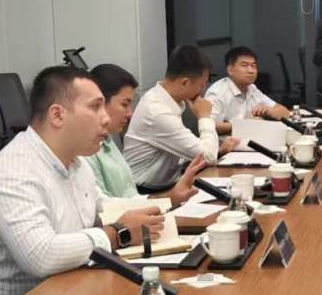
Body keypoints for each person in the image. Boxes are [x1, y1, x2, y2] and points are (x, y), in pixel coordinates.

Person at [0, 67, 165, 295]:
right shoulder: (13, 171)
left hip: (68, 289)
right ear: (58, 115)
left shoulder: (77, 163)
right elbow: (41, 256)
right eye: (95, 107)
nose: (106, 118)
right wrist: (118, 234)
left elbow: (104, 208)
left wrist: (164, 211)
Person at [87, 63, 204, 205]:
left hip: (140, 206)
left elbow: (130, 199)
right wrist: (205, 117)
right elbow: (104, 210)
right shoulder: (84, 153)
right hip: (134, 206)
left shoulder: (106, 140)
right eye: (124, 105)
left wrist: (170, 199)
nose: (130, 114)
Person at [123, 45, 237, 187]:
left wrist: (218, 151)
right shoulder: (158, 111)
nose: (202, 91)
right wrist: (205, 117)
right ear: (184, 82)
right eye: (201, 85)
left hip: (169, 182)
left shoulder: (167, 99)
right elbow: (209, 157)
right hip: (146, 191)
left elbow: (185, 154)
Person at [204, 46, 291, 133]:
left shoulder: (252, 88)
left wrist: (268, 111)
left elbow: (285, 113)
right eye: (244, 65)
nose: (251, 71)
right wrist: (246, 124)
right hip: (226, 140)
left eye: (253, 66)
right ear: (230, 70)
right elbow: (208, 125)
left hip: (251, 137)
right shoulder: (217, 92)